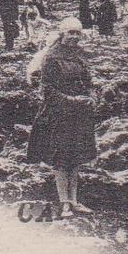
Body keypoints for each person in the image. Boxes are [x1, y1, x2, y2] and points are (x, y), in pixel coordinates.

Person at [26, 17, 98, 217]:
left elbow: (89, 81)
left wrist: (92, 96)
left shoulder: (80, 55)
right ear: (62, 34)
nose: (74, 37)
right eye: (70, 33)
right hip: (59, 113)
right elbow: (48, 89)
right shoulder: (51, 57)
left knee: (76, 157)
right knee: (61, 158)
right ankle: (64, 202)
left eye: (77, 33)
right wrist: (71, 99)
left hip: (80, 112)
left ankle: (74, 200)